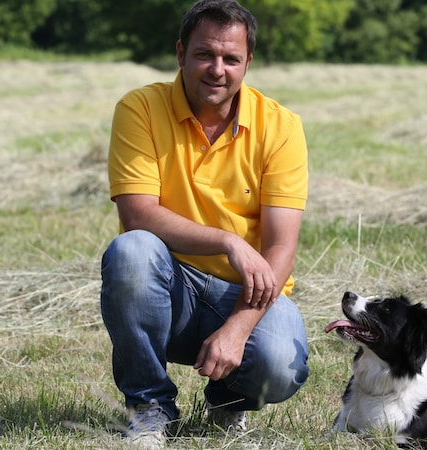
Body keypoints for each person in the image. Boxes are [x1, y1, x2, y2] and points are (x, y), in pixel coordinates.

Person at [100, 0, 309, 446]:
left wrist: (237, 329)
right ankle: (149, 408)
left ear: (247, 62)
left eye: (231, 58)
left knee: (281, 364)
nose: (217, 69)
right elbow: (137, 214)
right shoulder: (140, 109)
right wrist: (227, 241)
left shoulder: (282, 127)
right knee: (131, 251)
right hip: (167, 286)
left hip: (245, 292)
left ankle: (228, 402)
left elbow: (281, 248)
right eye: (204, 55)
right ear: (180, 53)